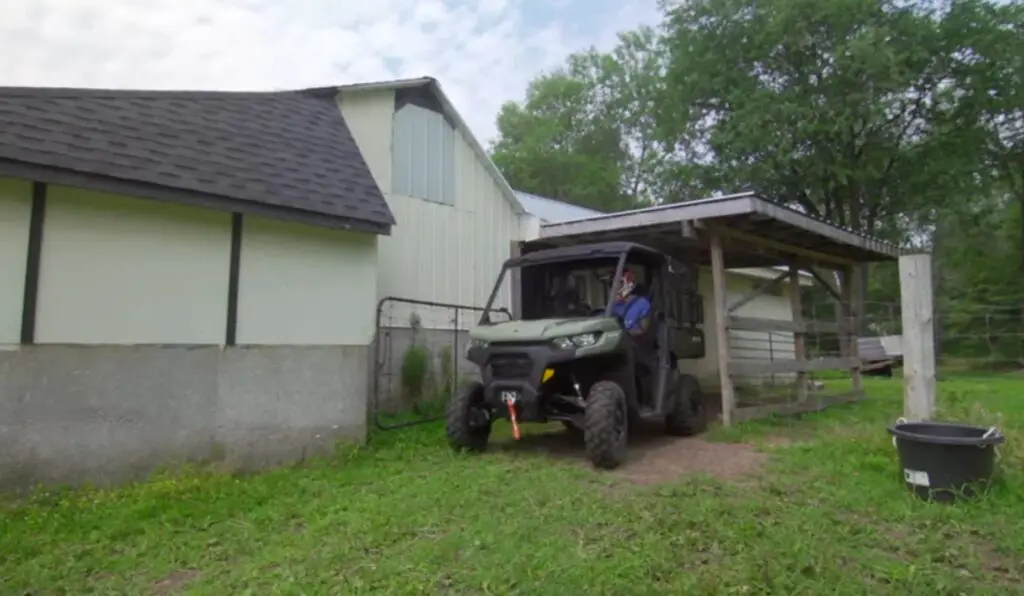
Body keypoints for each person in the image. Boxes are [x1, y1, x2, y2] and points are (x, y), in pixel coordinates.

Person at [610, 269, 650, 335]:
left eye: (620, 283)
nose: (615, 287)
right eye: (612, 284)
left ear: (630, 284)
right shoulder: (613, 306)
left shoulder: (642, 303)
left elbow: (645, 332)